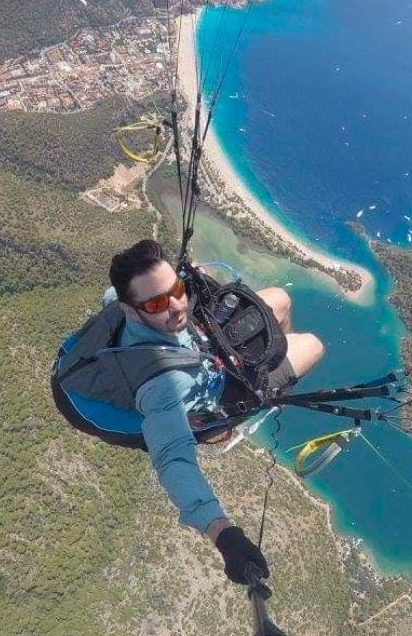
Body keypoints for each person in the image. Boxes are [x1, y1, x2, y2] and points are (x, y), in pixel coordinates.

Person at [108, 238, 324, 585]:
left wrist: (178, 288)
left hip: (202, 344)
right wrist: (223, 534)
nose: (177, 305)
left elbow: (122, 295)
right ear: (130, 310)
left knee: (280, 300)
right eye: (158, 302)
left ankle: (276, 358)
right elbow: (172, 461)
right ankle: (274, 380)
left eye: (176, 289)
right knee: (313, 344)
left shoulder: (134, 308)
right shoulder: (161, 387)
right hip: (221, 388)